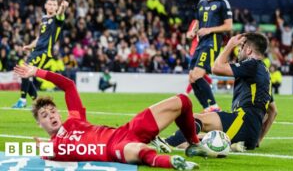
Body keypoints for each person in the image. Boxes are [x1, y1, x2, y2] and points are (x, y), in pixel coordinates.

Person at [14, 63, 203, 170]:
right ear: (39, 123)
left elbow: (69, 86)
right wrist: (38, 148)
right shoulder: (52, 147)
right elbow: (31, 153)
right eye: (45, 115)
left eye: (53, 111)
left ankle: (193, 144)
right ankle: (173, 162)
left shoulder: (74, 119)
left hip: (125, 130)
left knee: (181, 101)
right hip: (114, 149)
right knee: (138, 151)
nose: (51, 116)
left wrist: (38, 72)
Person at [153, 33, 277, 154]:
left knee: (195, 119)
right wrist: (258, 139)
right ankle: (231, 146)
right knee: (196, 138)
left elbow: (216, 68)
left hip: (242, 121)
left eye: (241, 48)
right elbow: (273, 111)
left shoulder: (252, 64)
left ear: (248, 50)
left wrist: (229, 45)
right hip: (250, 133)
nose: (238, 51)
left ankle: (167, 143)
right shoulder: (265, 73)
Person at [12, 0, 69, 108]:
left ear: (56, 7)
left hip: (44, 52)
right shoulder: (43, 19)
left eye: (54, 5)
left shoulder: (57, 19)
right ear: (45, 6)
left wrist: (63, 7)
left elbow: (61, 14)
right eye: (50, 4)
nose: (52, 6)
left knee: (25, 71)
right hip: (36, 50)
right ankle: (37, 102)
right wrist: (30, 46)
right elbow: (39, 38)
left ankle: (22, 100)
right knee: (27, 74)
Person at [187, 0, 232, 112]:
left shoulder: (223, 3)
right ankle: (206, 107)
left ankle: (214, 106)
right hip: (201, 44)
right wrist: (193, 31)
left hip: (212, 44)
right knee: (191, 78)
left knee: (197, 75)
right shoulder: (201, 3)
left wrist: (209, 30)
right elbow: (199, 22)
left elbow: (228, 26)